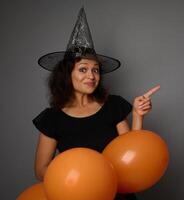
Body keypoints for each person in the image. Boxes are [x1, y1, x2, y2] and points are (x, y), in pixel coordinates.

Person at [32, 7, 160, 200]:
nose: (91, 76)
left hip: (118, 195)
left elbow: (132, 155)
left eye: (96, 70)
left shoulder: (113, 106)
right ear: (67, 75)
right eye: (83, 70)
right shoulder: (52, 119)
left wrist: (137, 116)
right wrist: (79, 177)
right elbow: (41, 170)